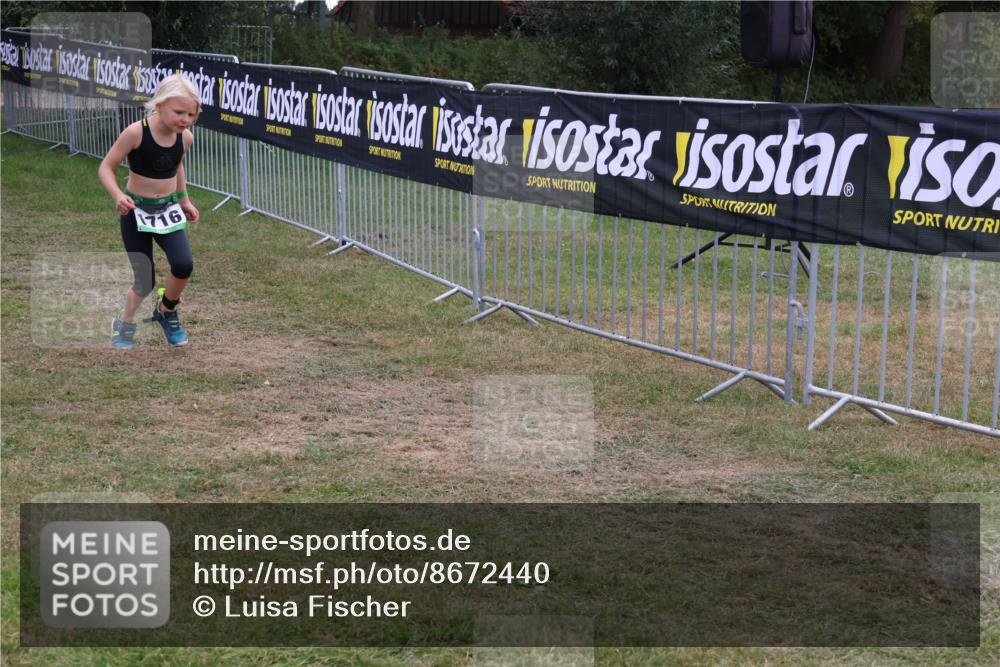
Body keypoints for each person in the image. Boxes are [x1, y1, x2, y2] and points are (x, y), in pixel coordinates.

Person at [98, 73, 201, 349]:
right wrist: (118, 195)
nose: (185, 119)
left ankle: (166, 311)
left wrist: (184, 200)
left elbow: (176, 165)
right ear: (159, 105)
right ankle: (125, 322)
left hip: (167, 211)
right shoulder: (136, 132)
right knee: (144, 280)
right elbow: (106, 167)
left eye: (191, 114)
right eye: (179, 112)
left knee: (183, 264)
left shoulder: (185, 138)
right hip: (135, 212)